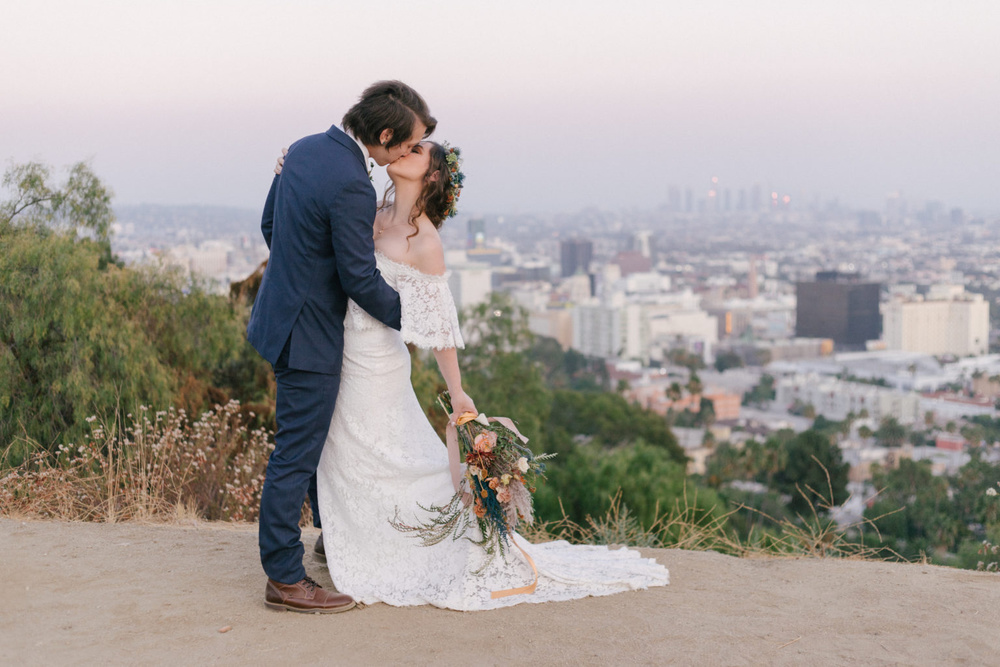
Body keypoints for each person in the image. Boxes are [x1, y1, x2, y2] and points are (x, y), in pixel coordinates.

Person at [274, 140, 669, 611]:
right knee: (345, 455)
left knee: (387, 459)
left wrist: (457, 392)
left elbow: (441, 325)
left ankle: (404, 538)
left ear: (432, 176)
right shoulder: (369, 211)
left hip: (377, 367)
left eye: (416, 149)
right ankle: (347, 532)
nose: (402, 150)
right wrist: (286, 175)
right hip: (333, 352)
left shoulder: (426, 243)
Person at [246, 81, 476, 614]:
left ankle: (337, 533)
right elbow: (357, 278)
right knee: (297, 455)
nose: (408, 151)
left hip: (290, 324)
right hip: (314, 337)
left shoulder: (304, 150)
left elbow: (270, 226)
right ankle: (284, 577)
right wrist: (412, 318)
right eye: (408, 142)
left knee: (326, 448)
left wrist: (304, 278)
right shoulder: (354, 185)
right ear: (387, 134)